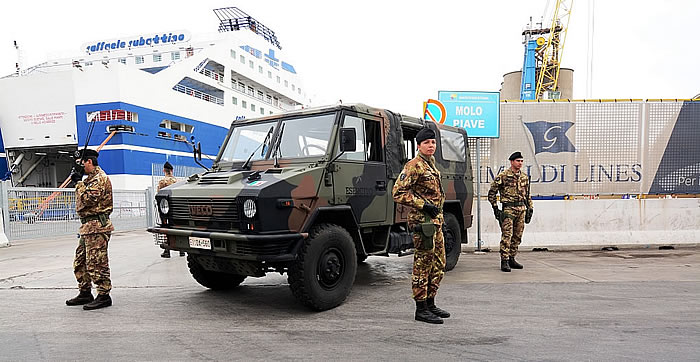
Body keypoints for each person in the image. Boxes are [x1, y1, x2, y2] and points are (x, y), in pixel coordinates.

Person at [392, 127, 450, 324]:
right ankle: (421, 309)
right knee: (422, 265)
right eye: (427, 143)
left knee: (439, 263)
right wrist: (423, 205)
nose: (431, 145)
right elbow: (398, 192)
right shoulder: (414, 165)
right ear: (419, 146)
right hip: (422, 223)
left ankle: (430, 302)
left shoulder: (431, 165)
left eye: (433, 142)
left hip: (436, 223)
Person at [65, 149, 114, 310]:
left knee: (97, 262)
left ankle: (104, 295)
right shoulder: (90, 179)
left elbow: (88, 199)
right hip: (87, 227)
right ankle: (85, 292)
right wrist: (80, 182)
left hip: (97, 227)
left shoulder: (99, 179)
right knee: (80, 261)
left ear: (89, 162)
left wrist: (78, 183)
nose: (80, 167)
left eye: (81, 163)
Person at [488, 151, 534, 272]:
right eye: (518, 161)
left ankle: (512, 258)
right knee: (506, 236)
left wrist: (530, 208)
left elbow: (527, 195)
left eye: (521, 161)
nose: (520, 163)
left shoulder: (524, 177)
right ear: (512, 162)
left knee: (517, 236)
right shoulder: (503, 176)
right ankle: (504, 260)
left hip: (521, 209)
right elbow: (492, 192)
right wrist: (495, 208)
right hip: (508, 209)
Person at [157, 161, 184, 258]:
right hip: (176, 209)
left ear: (164, 170)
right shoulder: (177, 182)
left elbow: (159, 195)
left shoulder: (162, 182)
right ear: (172, 170)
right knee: (177, 227)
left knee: (166, 228)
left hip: (165, 210)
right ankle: (181, 250)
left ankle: (167, 251)